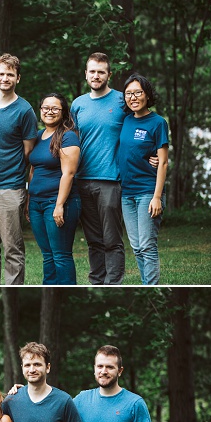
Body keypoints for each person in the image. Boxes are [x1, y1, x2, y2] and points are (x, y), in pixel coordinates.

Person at [0, 53, 39, 285]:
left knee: (12, 248)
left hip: (10, 188)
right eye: (1, 73)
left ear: (17, 78)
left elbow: (28, 152)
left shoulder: (25, 110)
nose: (5, 78)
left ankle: (13, 288)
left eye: (10, 74)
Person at [70, 52, 128, 285]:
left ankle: (113, 283)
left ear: (109, 75)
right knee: (93, 239)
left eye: (101, 72)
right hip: (82, 180)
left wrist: (152, 156)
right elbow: (70, 141)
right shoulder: (78, 104)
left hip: (111, 179)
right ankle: (97, 280)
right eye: (92, 71)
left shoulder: (122, 101)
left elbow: (139, 128)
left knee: (112, 238)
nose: (96, 75)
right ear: (86, 74)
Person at [117, 73, 169, 285]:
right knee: (136, 246)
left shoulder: (158, 123)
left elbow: (163, 162)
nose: (133, 97)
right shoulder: (126, 120)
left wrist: (157, 197)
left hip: (148, 191)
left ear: (147, 95)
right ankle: (146, 281)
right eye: (129, 93)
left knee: (147, 245)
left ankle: (151, 285)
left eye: (138, 92)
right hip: (126, 193)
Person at [27, 93, 82, 285]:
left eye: (55, 108)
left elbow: (68, 173)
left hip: (57, 202)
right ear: (40, 110)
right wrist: (28, 201)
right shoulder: (38, 136)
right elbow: (33, 169)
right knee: (47, 255)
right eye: (45, 108)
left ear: (63, 112)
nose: (49, 112)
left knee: (60, 255)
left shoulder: (68, 137)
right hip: (36, 203)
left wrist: (59, 205)